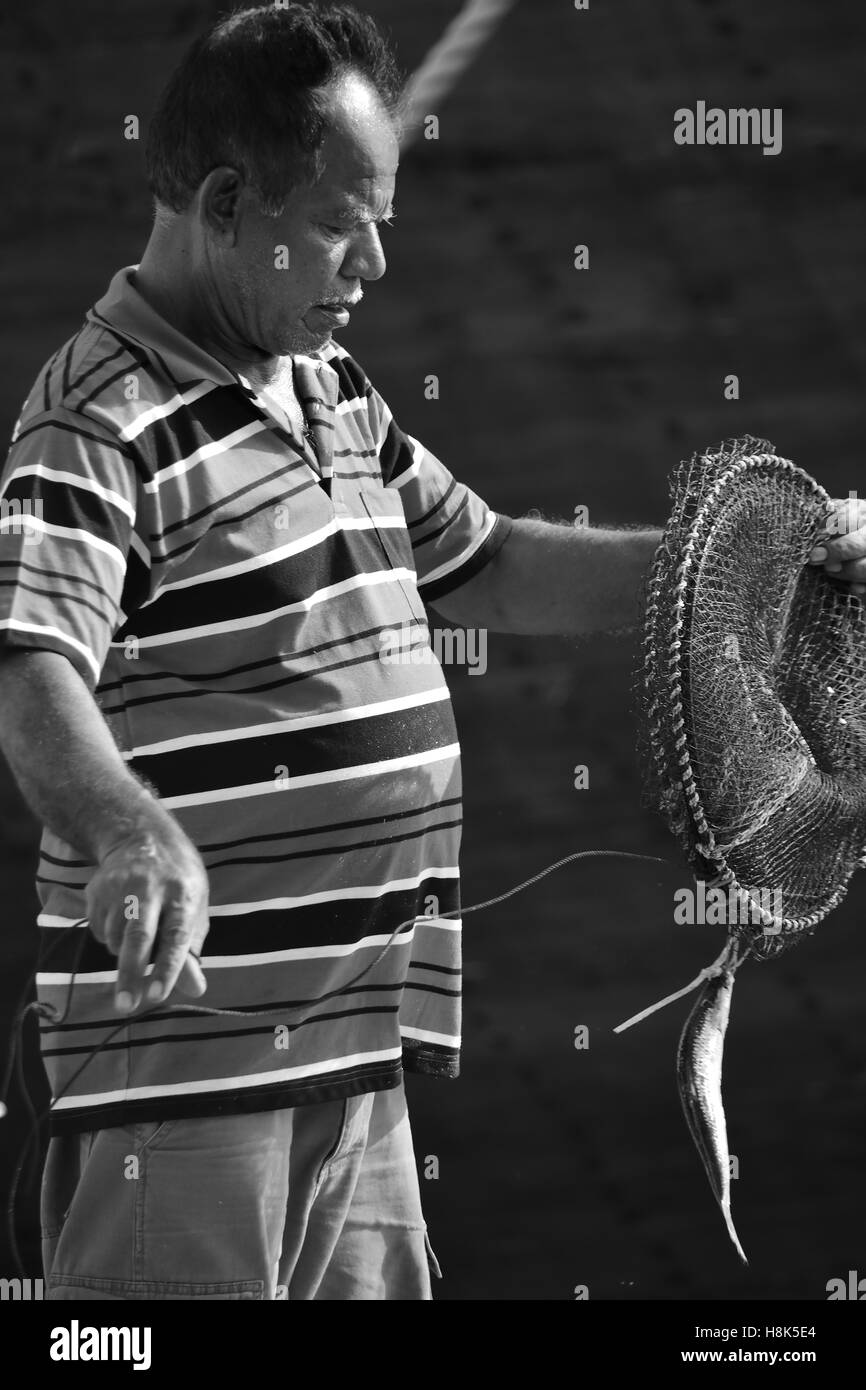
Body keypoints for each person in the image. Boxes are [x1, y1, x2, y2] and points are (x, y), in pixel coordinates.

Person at [0, 3, 860, 1302]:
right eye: (348, 223)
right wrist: (127, 826)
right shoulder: (95, 420)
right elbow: (30, 665)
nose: (377, 261)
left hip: (354, 1058)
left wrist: (758, 574)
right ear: (227, 204)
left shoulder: (329, 387)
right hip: (185, 1075)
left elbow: (489, 559)